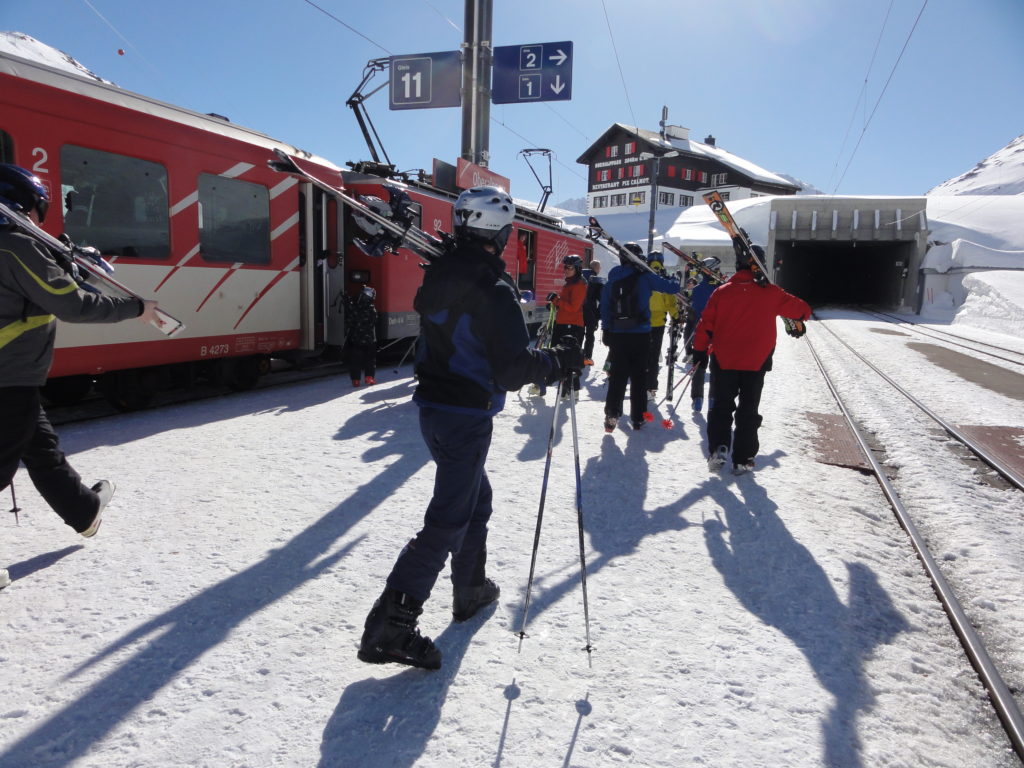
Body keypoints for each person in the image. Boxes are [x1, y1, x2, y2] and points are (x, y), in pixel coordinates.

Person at [357, 185, 582, 670]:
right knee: (448, 518)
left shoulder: (442, 274)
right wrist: (558, 362)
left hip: (434, 411)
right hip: (465, 416)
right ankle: (391, 625)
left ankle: (470, 588)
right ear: (499, 235)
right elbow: (512, 369)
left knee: (475, 499)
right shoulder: (492, 290)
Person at [0, 164, 160, 587]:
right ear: (24, 206)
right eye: (37, 211)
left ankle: (84, 510)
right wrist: (136, 308)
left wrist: (66, 261)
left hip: (13, 375)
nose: (37, 221)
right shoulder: (14, 246)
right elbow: (71, 304)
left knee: (41, 448)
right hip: (8, 375)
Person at [691, 242, 810, 474]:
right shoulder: (773, 293)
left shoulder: (722, 292)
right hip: (757, 361)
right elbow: (803, 310)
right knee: (748, 410)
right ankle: (743, 458)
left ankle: (719, 447)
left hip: (724, 359)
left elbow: (706, 325)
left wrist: (699, 352)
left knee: (721, 407)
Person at [599, 242, 680, 432]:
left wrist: (607, 329)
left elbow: (605, 307)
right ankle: (638, 417)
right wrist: (674, 278)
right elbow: (671, 288)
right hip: (642, 334)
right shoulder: (646, 277)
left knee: (618, 376)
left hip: (618, 334)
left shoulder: (612, 279)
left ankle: (612, 413)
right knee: (638, 377)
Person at [684, 257, 721, 412]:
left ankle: (697, 398)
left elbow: (693, 309)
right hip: (719, 333)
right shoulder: (723, 289)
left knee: (699, 366)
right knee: (716, 368)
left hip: (701, 331)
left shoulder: (698, 289)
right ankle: (713, 398)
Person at [549, 254, 587, 397]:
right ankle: (568, 389)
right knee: (563, 357)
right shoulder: (570, 282)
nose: (566, 269)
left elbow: (573, 307)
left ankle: (572, 390)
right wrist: (555, 303)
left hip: (572, 325)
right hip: (564, 323)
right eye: (565, 267)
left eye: (569, 267)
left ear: (577, 268)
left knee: (570, 359)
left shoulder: (579, 285)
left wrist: (557, 301)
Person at [644, 251, 678, 400]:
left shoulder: (644, 276)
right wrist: (676, 315)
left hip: (641, 322)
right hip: (658, 323)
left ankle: (639, 384)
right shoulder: (663, 278)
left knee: (640, 355)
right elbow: (670, 302)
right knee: (653, 357)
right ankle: (650, 387)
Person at [344, 284, 378, 386]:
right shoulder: (372, 310)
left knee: (355, 360)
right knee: (370, 359)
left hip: (356, 339)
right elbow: (375, 322)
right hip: (369, 340)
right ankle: (369, 378)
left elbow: (349, 322)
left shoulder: (354, 309)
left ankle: (355, 380)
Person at [581, 260, 604, 366]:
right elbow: (601, 299)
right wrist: (599, 314)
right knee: (589, 336)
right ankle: (587, 357)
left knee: (578, 334)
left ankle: (576, 355)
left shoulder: (580, 276)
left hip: (578, 310)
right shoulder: (596, 280)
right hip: (591, 312)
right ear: (596, 268)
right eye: (599, 268)